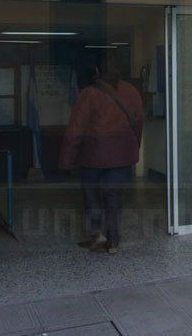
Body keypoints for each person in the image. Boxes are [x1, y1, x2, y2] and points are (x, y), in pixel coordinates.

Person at [59, 51, 143, 254]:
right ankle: (113, 241)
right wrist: (133, 147)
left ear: (97, 70)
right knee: (114, 197)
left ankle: (97, 235)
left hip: (93, 156)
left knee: (92, 196)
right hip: (121, 156)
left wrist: (66, 160)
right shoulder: (132, 91)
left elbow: (76, 129)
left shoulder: (89, 94)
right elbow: (138, 123)